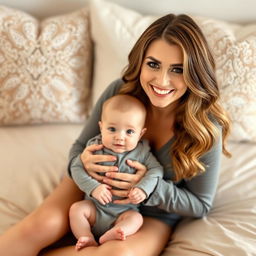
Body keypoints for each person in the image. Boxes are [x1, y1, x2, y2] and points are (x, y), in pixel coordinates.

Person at [0, 13, 231, 256]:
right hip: (88, 187)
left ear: (195, 73)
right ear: (140, 62)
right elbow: (78, 149)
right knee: (39, 227)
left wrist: (150, 189)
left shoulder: (205, 129)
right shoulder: (120, 92)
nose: (162, 80)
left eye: (177, 69)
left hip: (151, 214)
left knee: (117, 254)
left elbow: (200, 205)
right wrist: (82, 162)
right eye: (153, 64)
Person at [69, 94, 163, 250]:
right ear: (101, 127)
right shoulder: (94, 147)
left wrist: (143, 188)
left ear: (140, 134)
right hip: (94, 207)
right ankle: (86, 236)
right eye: (112, 129)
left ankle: (115, 232)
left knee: (136, 218)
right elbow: (76, 168)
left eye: (129, 132)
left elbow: (156, 170)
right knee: (76, 209)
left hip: (123, 212)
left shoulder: (142, 153)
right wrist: (93, 187)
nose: (120, 137)